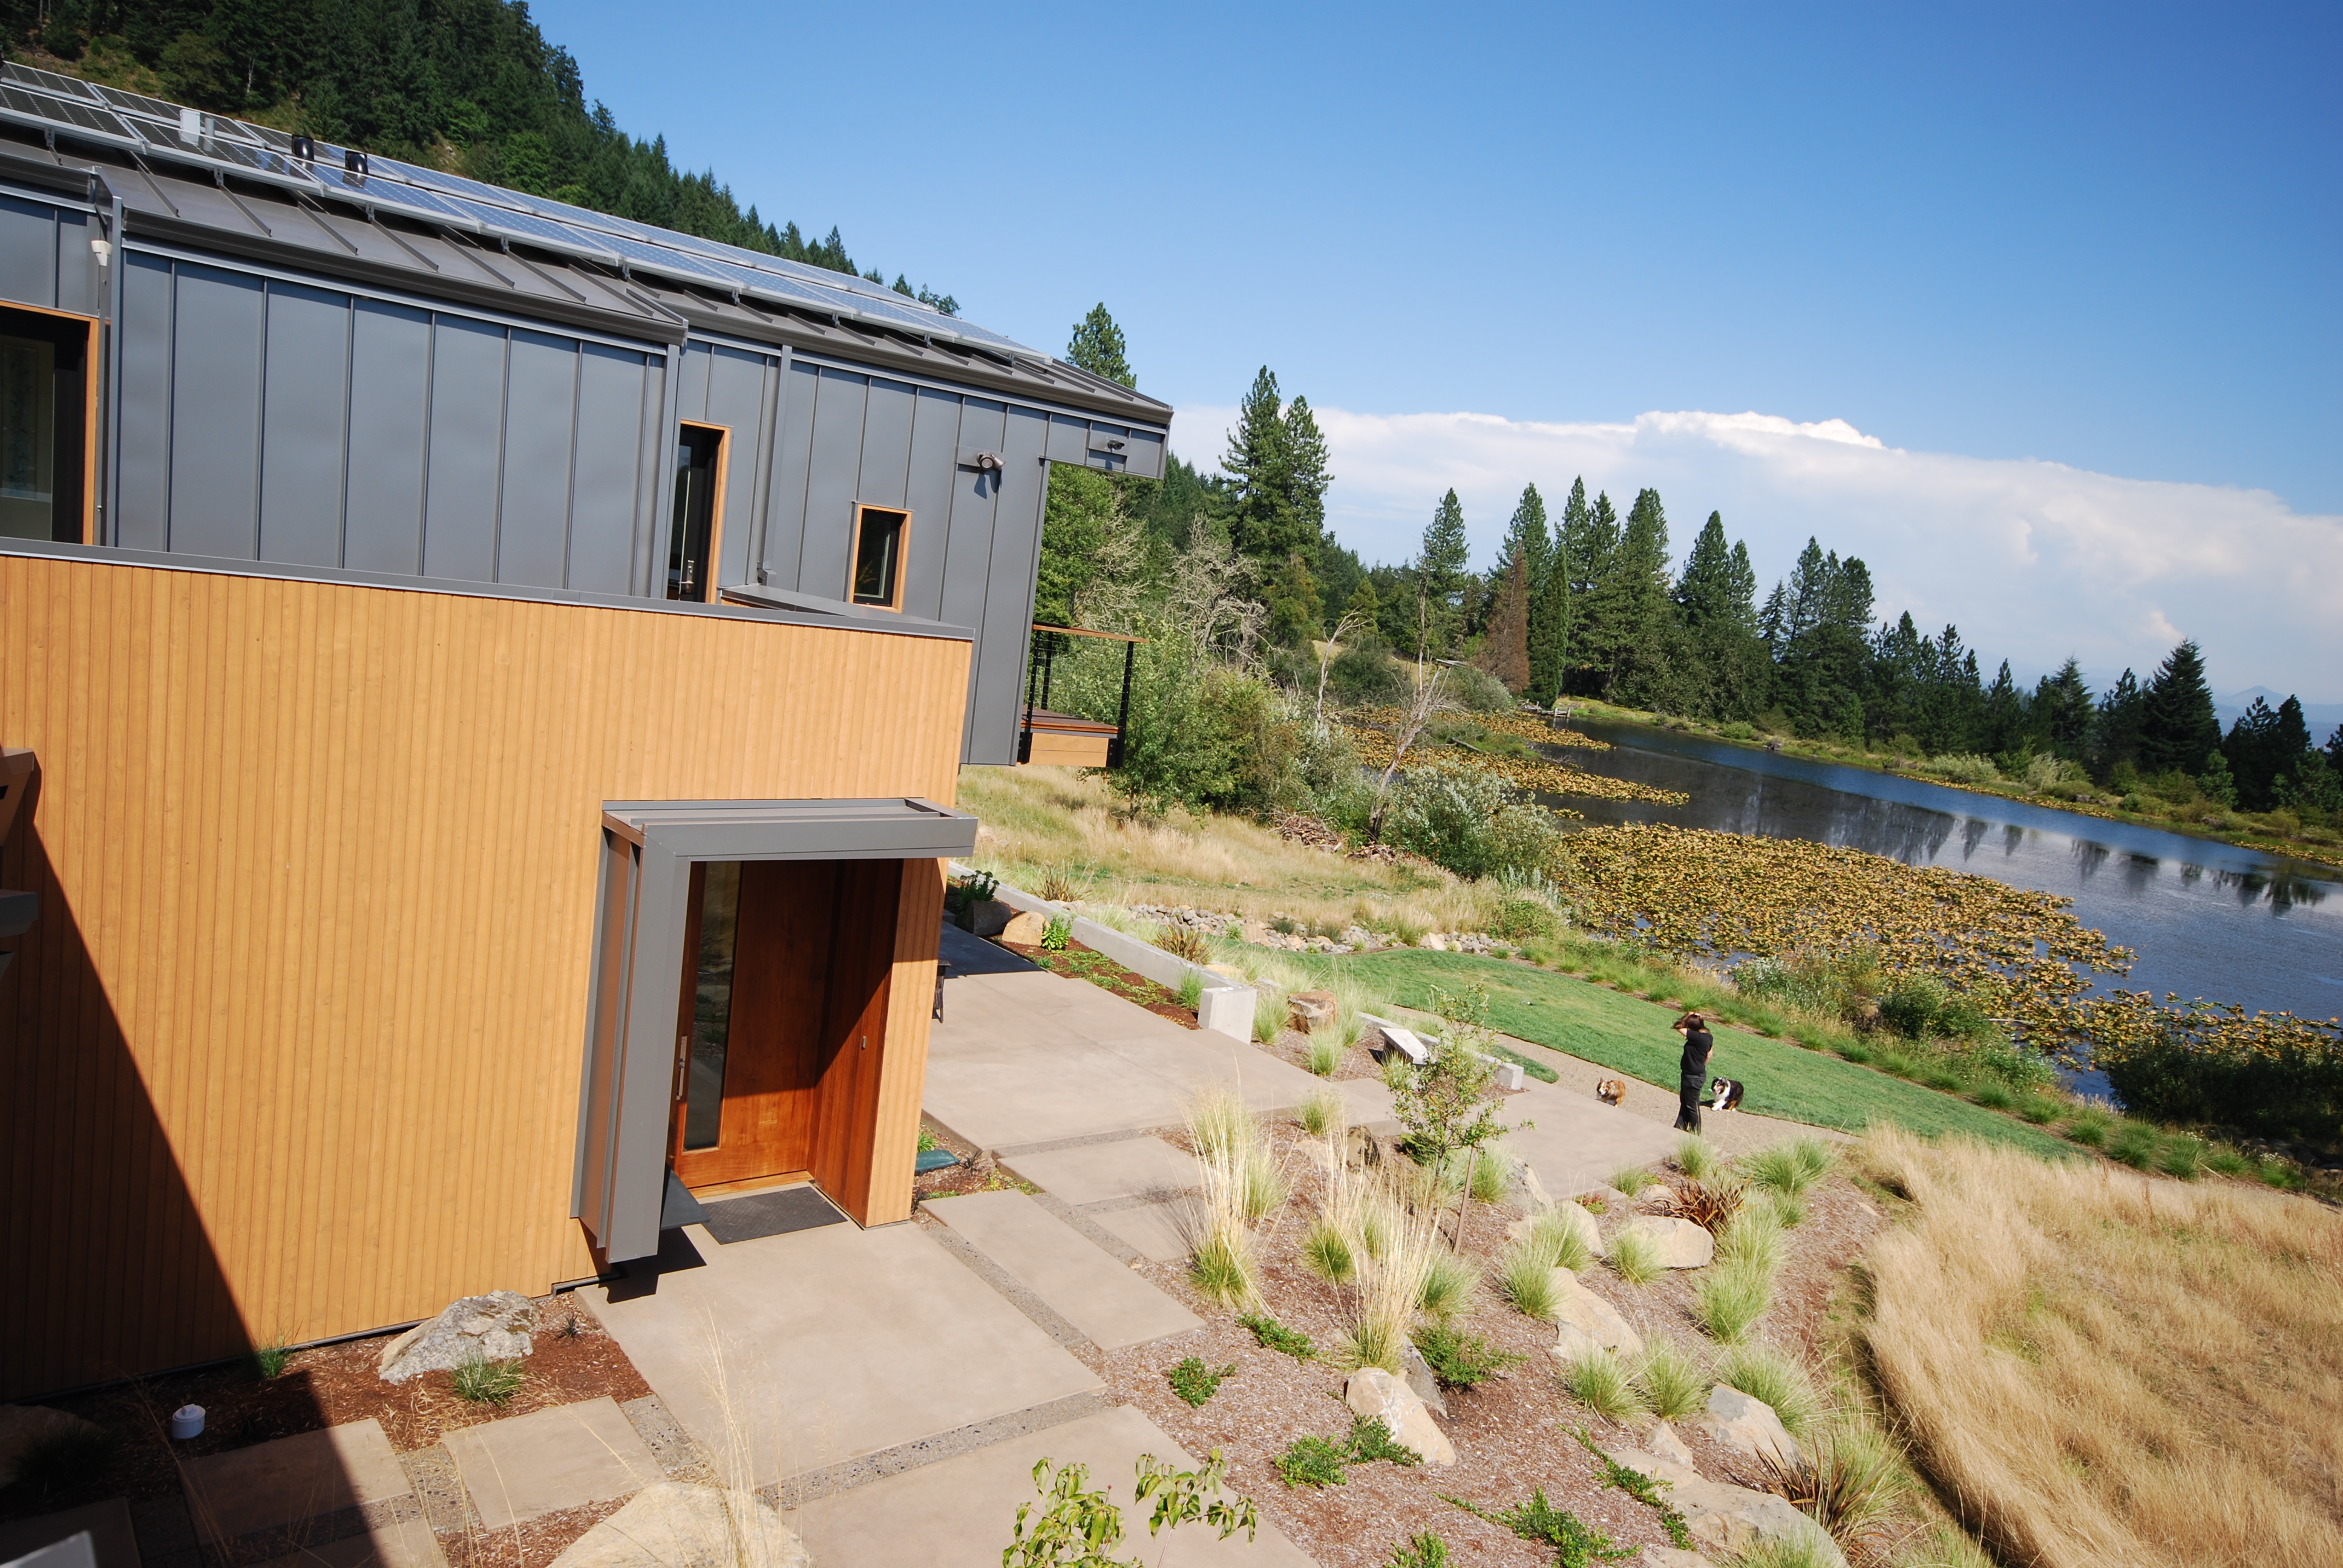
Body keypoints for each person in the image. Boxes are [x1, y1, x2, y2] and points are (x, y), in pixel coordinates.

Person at [1673, 1011, 1714, 1132]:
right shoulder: (1708, 1036)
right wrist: (1701, 1065)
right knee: (1686, 1102)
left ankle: (1695, 1132)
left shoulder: (1698, 1038)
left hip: (1693, 1078)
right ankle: (1680, 1127)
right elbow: (1710, 1055)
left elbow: (1678, 1026)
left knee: (1692, 1105)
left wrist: (1687, 1015)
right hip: (1694, 1075)